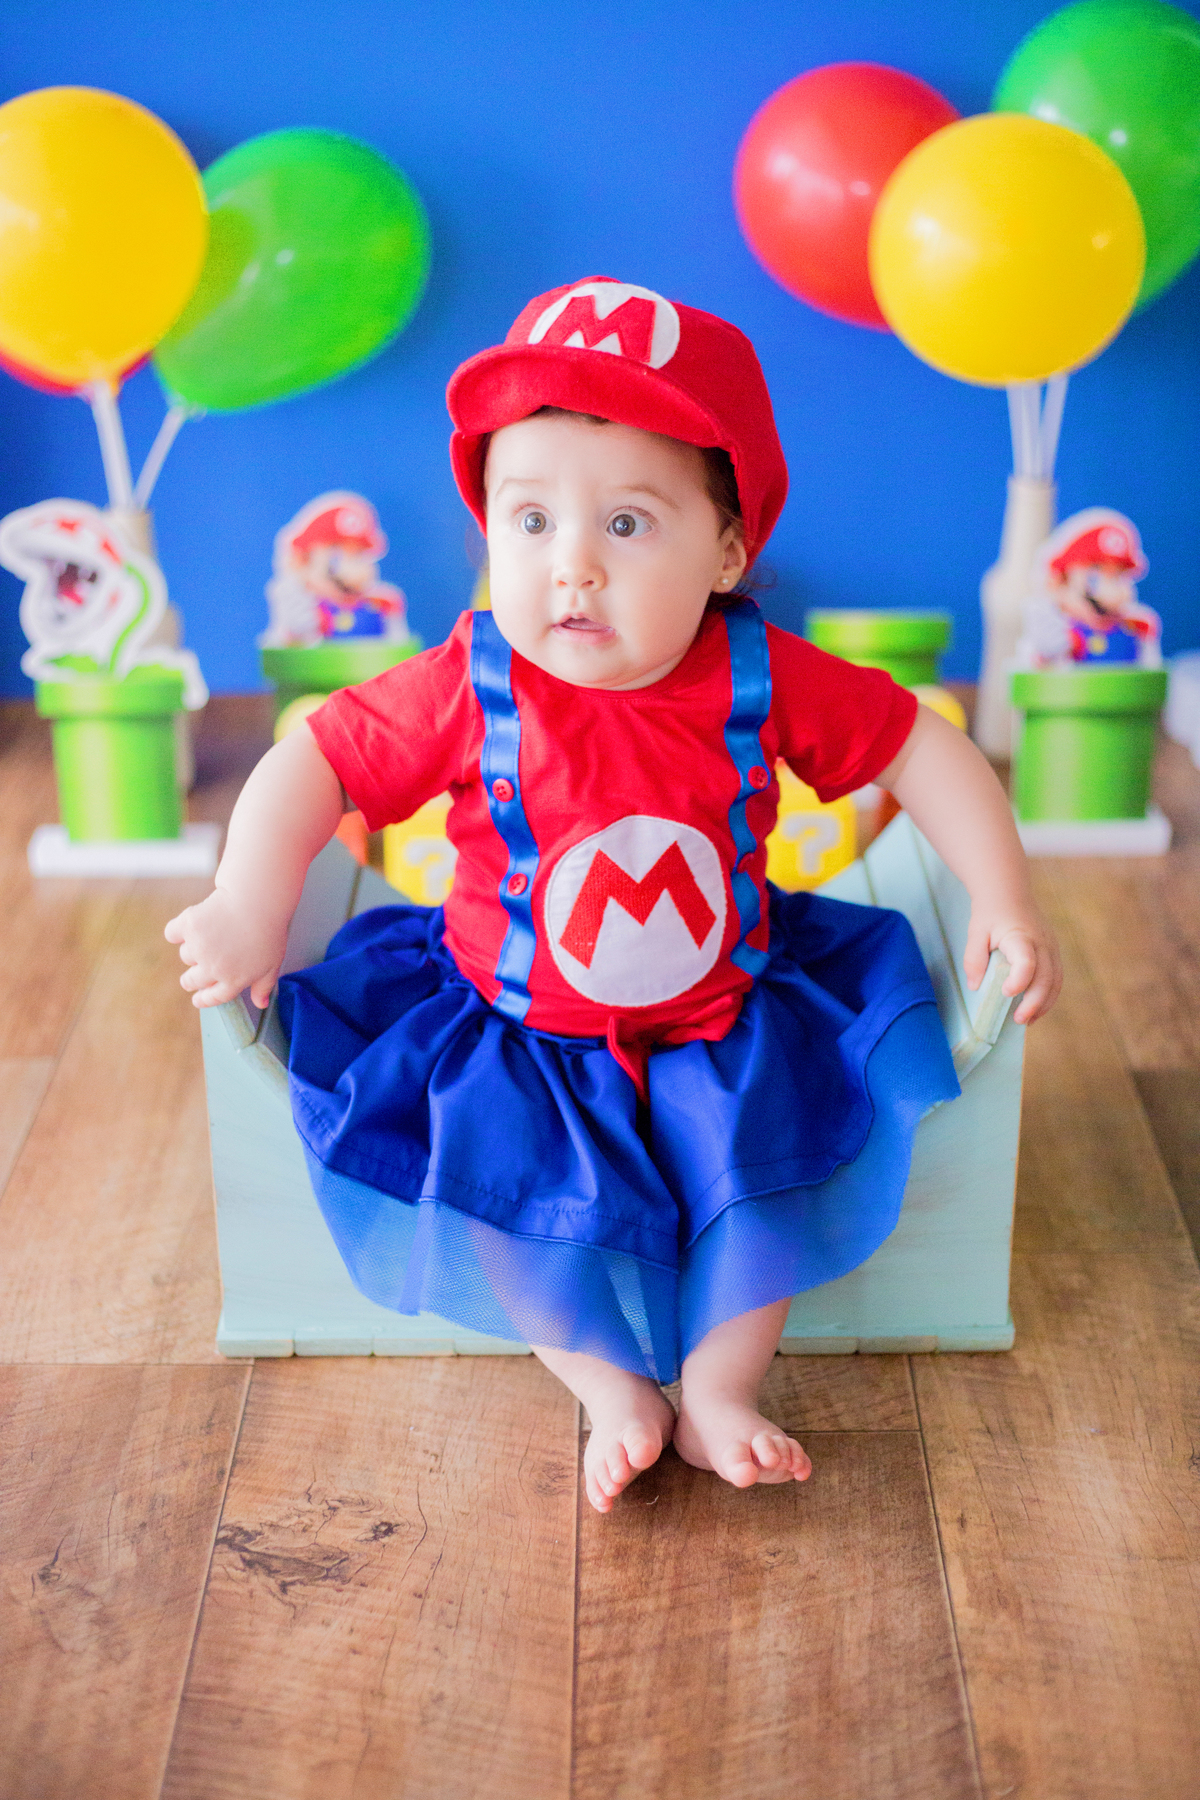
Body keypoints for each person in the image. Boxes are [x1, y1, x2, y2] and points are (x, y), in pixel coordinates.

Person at [166, 278, 1061, 1515]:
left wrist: (1003, 897)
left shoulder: (758, 671)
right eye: (529, 521)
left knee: (760, 1169)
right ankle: (602, 1384)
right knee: (498, 1181)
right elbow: (311, 763)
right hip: (517, 1022)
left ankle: (718, 1388)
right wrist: (249, 903)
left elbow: (924, 748)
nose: (571, 567)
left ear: (729, 549)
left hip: (723, 1012)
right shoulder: (466, 682)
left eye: (627, 525)